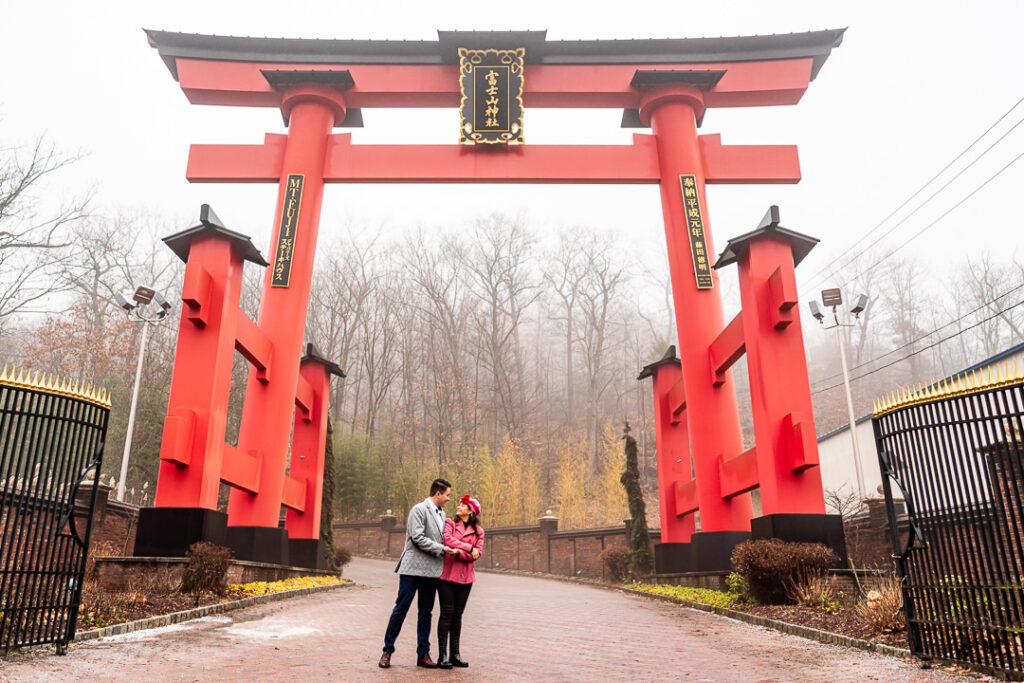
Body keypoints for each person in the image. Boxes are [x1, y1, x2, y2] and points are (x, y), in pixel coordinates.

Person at [379, 478, 459, 669]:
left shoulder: (443, 514)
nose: (449, 499)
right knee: (401, 608)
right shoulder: (419, 510)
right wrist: (442, 549)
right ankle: (387, 651)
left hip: (431, 571)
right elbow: (417, 538)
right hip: (412, 569)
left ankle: (423, 654)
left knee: (426, 612)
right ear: (438, 494)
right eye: (447, 495)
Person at [435, 494, 485, 669]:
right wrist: (469, 549)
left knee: (457, 615)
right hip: (447, 576)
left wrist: (461, 553)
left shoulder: (479, 531)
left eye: (462, 505)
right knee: (446, 613)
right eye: (459, 504)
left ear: (470, 511)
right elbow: (448, 540)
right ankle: (442, 655)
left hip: (466, 578)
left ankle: (455, 654)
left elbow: (477, 555)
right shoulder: (449, 523)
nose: (458, 506)